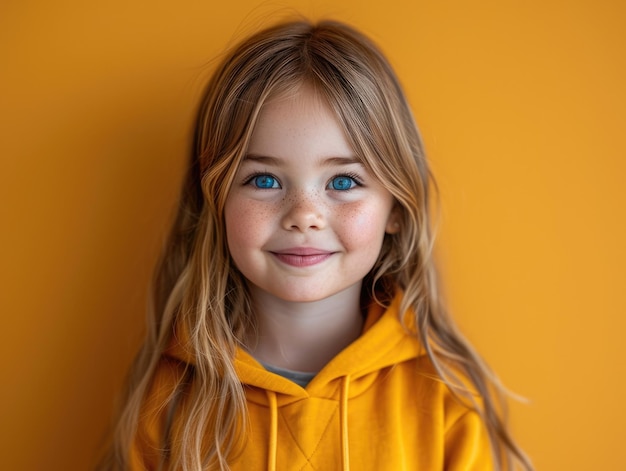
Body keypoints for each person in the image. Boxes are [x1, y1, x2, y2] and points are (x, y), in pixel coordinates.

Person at [98, 19, 533, 471]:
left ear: (397, 208)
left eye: (343, 181)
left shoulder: (443, 399)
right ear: (215, 202)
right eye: (264, 180)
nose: (304, 215)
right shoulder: (172, 401)